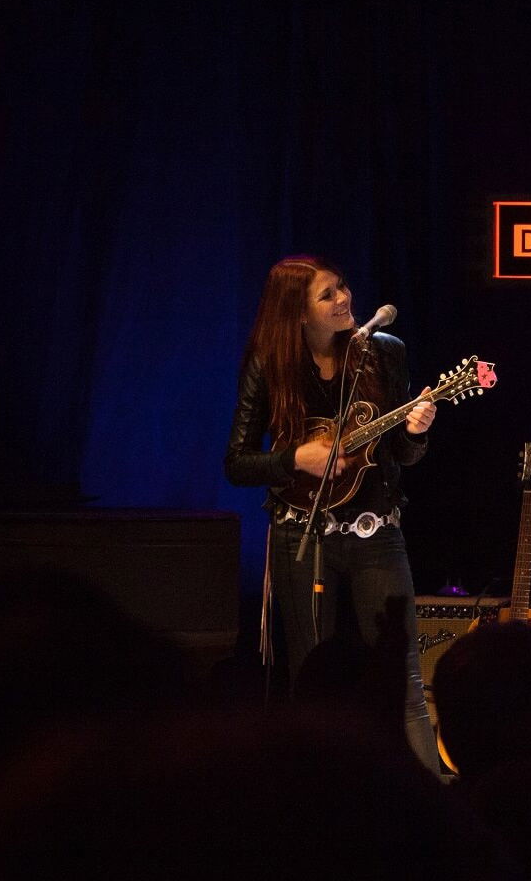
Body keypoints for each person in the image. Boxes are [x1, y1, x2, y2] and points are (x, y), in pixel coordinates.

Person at [224, 255, 440, 770]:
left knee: (403, 678)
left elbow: (402, 458)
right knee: (309, 677)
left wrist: (416, 432)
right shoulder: (269, 362)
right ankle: (314, 804)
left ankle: (428, 808)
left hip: (376, 533)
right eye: (327, 295)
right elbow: (237, 463)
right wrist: (294, 458)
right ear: (297, 313)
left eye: (342, 287)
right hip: (303, 536)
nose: (344, 299)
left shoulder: (383, 353)